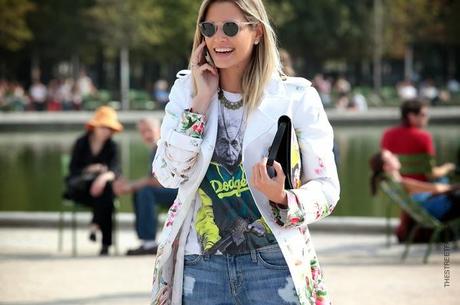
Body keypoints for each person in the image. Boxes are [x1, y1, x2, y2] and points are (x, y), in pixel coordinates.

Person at [150, 1, 340, 304]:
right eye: (208, 29)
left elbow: (328, 188)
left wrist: (284, 197)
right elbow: (167, 175)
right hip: (200, 266)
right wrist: (200, 103)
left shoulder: (296, 97)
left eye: (230, 27)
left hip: (274, 264)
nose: (218, 38)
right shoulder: (187, 92)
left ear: (257, 32)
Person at [381, 99, 455, 241]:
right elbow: (431, 173)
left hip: (402, 188)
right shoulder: (423, 137)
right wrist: (447, 168)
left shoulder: (387, 134)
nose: (427, 117)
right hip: (421, 187)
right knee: (445, 179)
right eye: (423, 114)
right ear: (411, 116)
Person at [113, 118, 178, 255]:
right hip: (170, 189)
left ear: (159, 129)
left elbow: (158, 182)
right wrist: (131, 186)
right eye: (142, 132)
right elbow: (153, 180)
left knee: (145, 192)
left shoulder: (164, 147)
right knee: (141, 192)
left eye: (149, 130)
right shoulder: (155, 149)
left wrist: (130, 186)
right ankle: (146, 241)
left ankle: (149, 242)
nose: (146, 135)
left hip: (180, 191)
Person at [64, 106, 123, 255]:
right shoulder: (81, 143)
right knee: (106, 199)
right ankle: (103, 239)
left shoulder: (113, 146)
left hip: (101, 191)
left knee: (106, 192)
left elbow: (116, 170)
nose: (107, 131)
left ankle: (97, 229)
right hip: (80, 189)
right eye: (104, 127)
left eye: (110, 128)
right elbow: (73, 169)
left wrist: (103, 177)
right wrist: (91, 169)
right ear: (95, 126)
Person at [369, 150, 460, 222]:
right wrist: (455, 186)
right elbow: (436, 188)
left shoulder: (393, 184)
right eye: (391, 156)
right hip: (439, 210)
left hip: (434, 208)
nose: (396, 156)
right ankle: (447, 244)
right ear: (386, 167)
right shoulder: (403, 183)